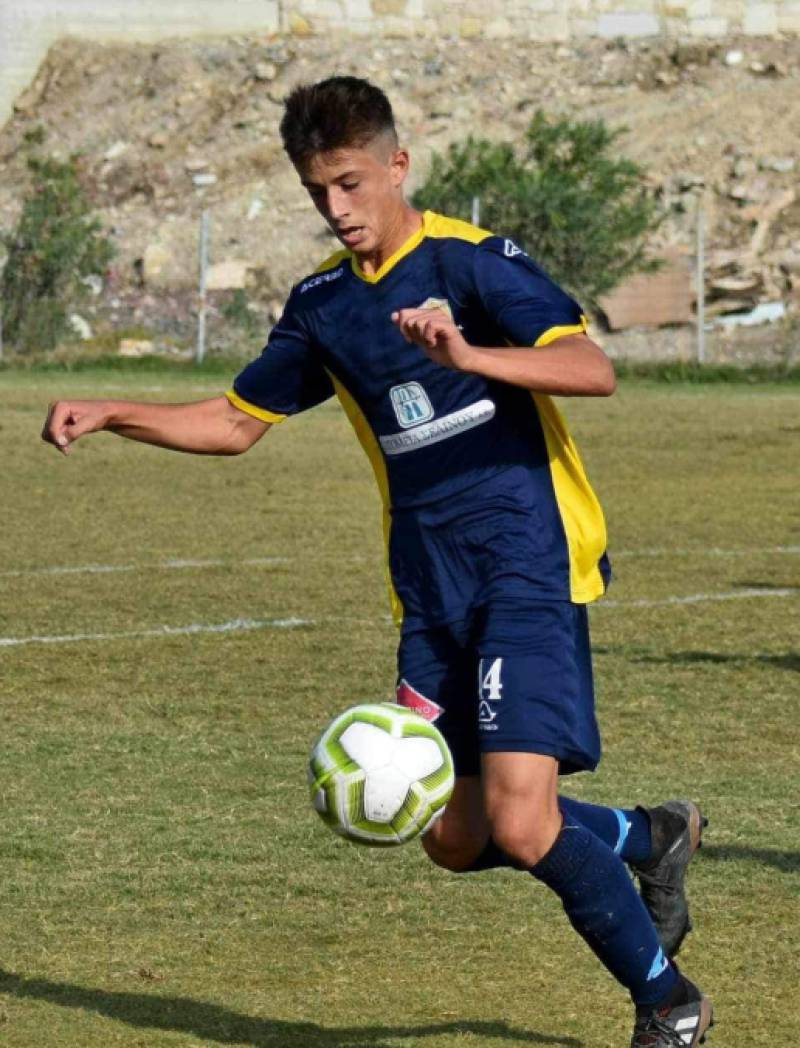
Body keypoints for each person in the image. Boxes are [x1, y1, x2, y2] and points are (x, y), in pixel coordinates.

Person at [42, 76, 712, 1047]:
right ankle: (648, 836)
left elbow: (589, 368)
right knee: (452, 836)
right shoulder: (322, 304)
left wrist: (468, 355)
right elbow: (235, 422)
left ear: (397, 165)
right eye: (317, 191)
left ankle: (668, 1000)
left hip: (525, 564)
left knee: (523, 823)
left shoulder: (470, 263)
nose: (337, 207)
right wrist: (114, 412)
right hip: (429, 591)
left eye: (350, 183)